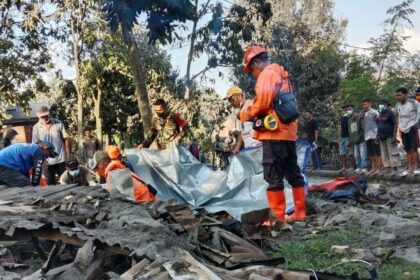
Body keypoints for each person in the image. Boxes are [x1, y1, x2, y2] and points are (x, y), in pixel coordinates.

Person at [239, 46, 306, 222]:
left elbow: (263, 102)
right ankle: (300, 212)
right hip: (288, 133)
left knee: (273, 175)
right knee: (293, 172)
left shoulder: (266, 74)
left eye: (252, 70)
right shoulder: (282, 76)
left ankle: (277, 218)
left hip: (273, 134)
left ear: (257, 62)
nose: (253, 74)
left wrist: (247, 113)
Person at [32, 106, 70, 185]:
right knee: (50, 184)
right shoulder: (36, 128)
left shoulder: (58, 123)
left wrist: (68, 155)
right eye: (42, 116)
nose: (45, 118)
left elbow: (65, 139)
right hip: (47, 162)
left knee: (66, 182)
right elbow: (36, 144)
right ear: (38, 116)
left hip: (61, 159)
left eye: (46, 115)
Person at [224, 86, 262, 154]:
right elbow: (242, 132)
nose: (230, 102)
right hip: (249, 149)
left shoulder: (252, 104)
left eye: (231, 99)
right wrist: (236, 149)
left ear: (239, 96)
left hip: (259, 146)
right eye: (229, 100)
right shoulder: (240, 112)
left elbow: (260, 121)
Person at [395, 87, 420, 176]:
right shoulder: (397, 104)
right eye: (397, 95)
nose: (398, 97)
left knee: (414, 148)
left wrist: (416, 122)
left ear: (405, 95)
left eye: (400, 95)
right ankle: (410, 168)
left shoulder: (413, 103)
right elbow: (397, 116)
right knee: (407, 149)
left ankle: (416, 168)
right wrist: (398, 127)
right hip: (403, 129)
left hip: (412, 128)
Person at [377, 97, 399, 175]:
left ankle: (394, 169)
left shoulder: (390, 112)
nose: (380, 105)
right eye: (379, 103)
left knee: (392, 152)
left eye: (381, 103)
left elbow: (395, 124)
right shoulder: (380, 113)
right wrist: (377, 136)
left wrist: (394, 136)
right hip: (381, 137)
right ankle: (387, 168)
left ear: (386, 104)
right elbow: (379, 124)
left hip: (390, 136)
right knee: (384, 153)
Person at [362, 98, 381, 175]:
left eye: (365, 104)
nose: (364, 106)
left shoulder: (374, 112)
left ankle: (379, 169)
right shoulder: (363, 113)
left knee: (377, 153)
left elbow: (379, 123)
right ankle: (373, 168)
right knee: (370, 154)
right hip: (367, 136)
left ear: (370, 104)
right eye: (363, 104)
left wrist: (378, 135)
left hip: (374, 135)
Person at [348, 106, 368, 173]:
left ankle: (364, 167)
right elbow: (350, 131)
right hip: (354, 140)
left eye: (349, 109)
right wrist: (351, 139)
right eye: (347, 110)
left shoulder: (358, 117)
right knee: (357, 155)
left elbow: (362, 128)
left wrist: (360, 136)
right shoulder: (349, 120)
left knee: (363, 154)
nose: (348, 111)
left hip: (361, 139)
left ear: (353, 110)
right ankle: (359, 167)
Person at [338, 105, 355, 172]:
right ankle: (344, 167)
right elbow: (340, 127)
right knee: (342, 153)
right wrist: (339, 137)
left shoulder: (350, 118)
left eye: (344, 110)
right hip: (342, 137)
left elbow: (353, 128)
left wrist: (351, 138)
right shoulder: (342, 117)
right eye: (342, 110)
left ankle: (352, 167)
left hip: (348, 137)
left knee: (350, 153)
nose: (343, 111)